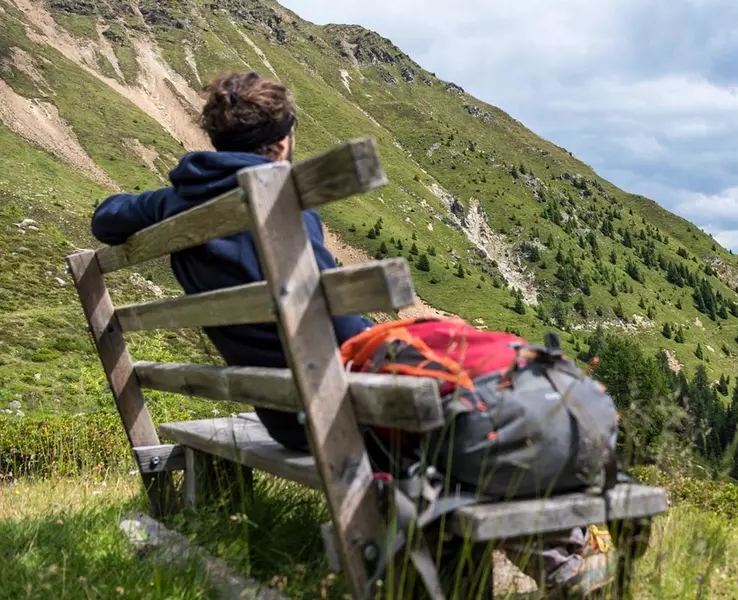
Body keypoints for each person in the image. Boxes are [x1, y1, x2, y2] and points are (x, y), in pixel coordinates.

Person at [89, 71, 613, 597]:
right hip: (330, 405)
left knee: (445, 415)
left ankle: (544, 556)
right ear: (282, 141)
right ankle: (563, 559)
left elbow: (106, 217)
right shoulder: (280, 202)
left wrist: (161, 199)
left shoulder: (180, 200)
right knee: (462, 412)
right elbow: (337, 329)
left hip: (282, 410)